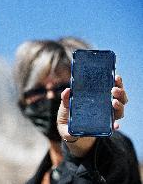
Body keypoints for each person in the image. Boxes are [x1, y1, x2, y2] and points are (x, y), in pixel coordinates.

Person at [13, 37, 141, 184]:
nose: (50, 96)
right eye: (38, 90)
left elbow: (105, 164)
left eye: (62, 88)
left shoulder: (114, 152)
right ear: (24, 104)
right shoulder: (37, 178)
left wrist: (81, 142)